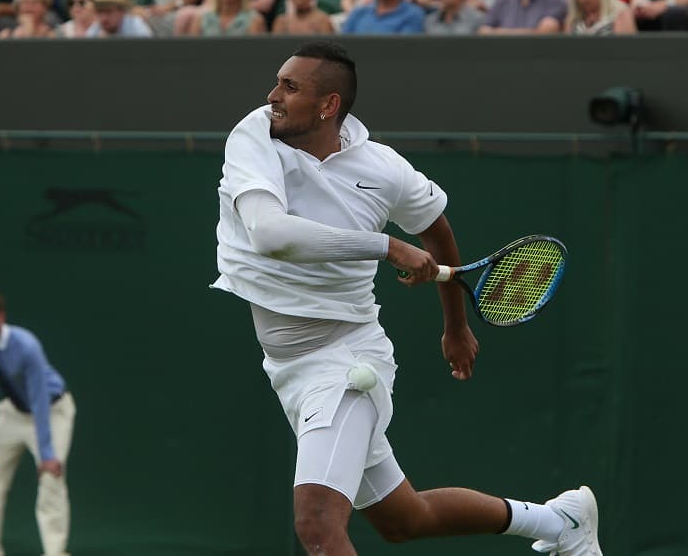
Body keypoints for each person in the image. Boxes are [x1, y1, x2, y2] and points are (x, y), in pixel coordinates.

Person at [210, 40, 604, 556]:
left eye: (290, 86)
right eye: (278, 82)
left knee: (318, 526)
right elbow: (270, 233)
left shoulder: (385, 170)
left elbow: (438, 234)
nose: (272, 95)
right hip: (287, 367)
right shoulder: (254, 133)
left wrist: (456, 326)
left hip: (346, 366)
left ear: (328, 104)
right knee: (403, 518)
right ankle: (558, 522)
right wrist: (389, 246)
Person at [0, 287, 76, 556]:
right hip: (13, 413)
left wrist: (47, 453)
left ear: (0, 317)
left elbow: (38, 398)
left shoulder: (27, 345)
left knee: (51, 477)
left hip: (52, 411)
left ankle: (55, 551)